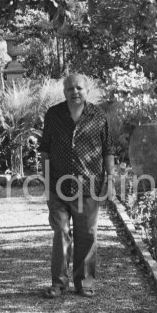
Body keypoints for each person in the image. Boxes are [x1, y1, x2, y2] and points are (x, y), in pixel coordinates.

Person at [39, 73, 116, 298]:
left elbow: (108, 150)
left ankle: (85, 283)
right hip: (58, 185)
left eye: (79, 88)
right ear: (64, 92)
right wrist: (45, 183)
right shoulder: (53, 115)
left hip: (88, 186)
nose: (75, 92)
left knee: (86, 235)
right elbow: (45, 149)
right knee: (60, 233)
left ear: (87, 91)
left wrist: (110, 180)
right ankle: (58, 284)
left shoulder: (98, 116)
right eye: (70, 88)